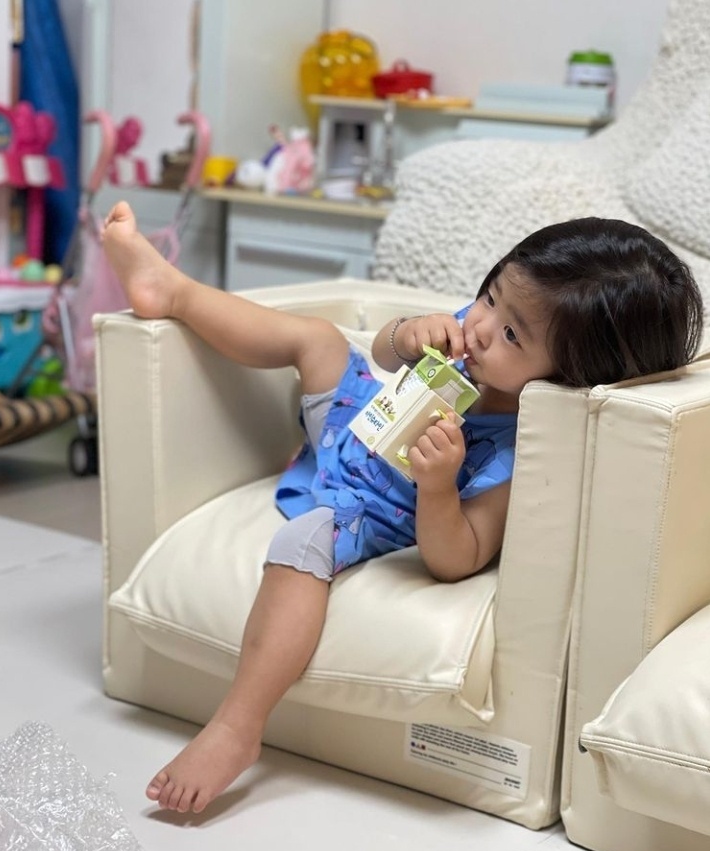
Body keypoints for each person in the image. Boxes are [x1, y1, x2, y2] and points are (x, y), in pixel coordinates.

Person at [101, 202, 703, 815]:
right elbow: (386, 358)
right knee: (317, 339)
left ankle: (236, 726)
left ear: (569, 377)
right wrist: (406, 333)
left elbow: (454, 558)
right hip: (351, 427)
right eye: (492, 296)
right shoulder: (476, 330)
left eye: (514, 334)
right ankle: (172, 292)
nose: (484, 327)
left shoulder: (523, 454)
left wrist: (439, 485)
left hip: (375, 502)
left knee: (303, 542)